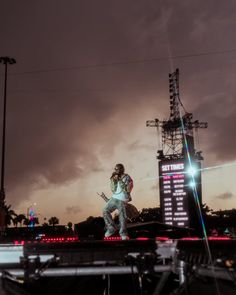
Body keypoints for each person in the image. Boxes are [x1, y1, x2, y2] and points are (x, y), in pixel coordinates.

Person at [103, 163, 133, 240]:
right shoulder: (114, 176)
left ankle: (123, 233)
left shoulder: (127, 177)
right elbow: (113, 189)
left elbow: (128, 189)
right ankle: (111, 228)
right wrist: (113, 180)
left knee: (122, 216)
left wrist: (120, 180)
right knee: (105, 210)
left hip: (122, 198)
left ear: (122, 169)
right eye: (115, 169)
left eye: (118, 169)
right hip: (114, 197)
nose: (116, 171)